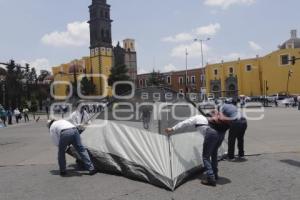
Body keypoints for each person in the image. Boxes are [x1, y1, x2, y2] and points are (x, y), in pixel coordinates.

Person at [165, 104, 236, 186]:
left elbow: (185, 123)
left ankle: (210, 177)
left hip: (211, 134)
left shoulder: (197, 117)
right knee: (214, 153)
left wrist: (173, 128)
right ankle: (215, 174)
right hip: (221, 134)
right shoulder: (211, 118)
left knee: (205, 156)